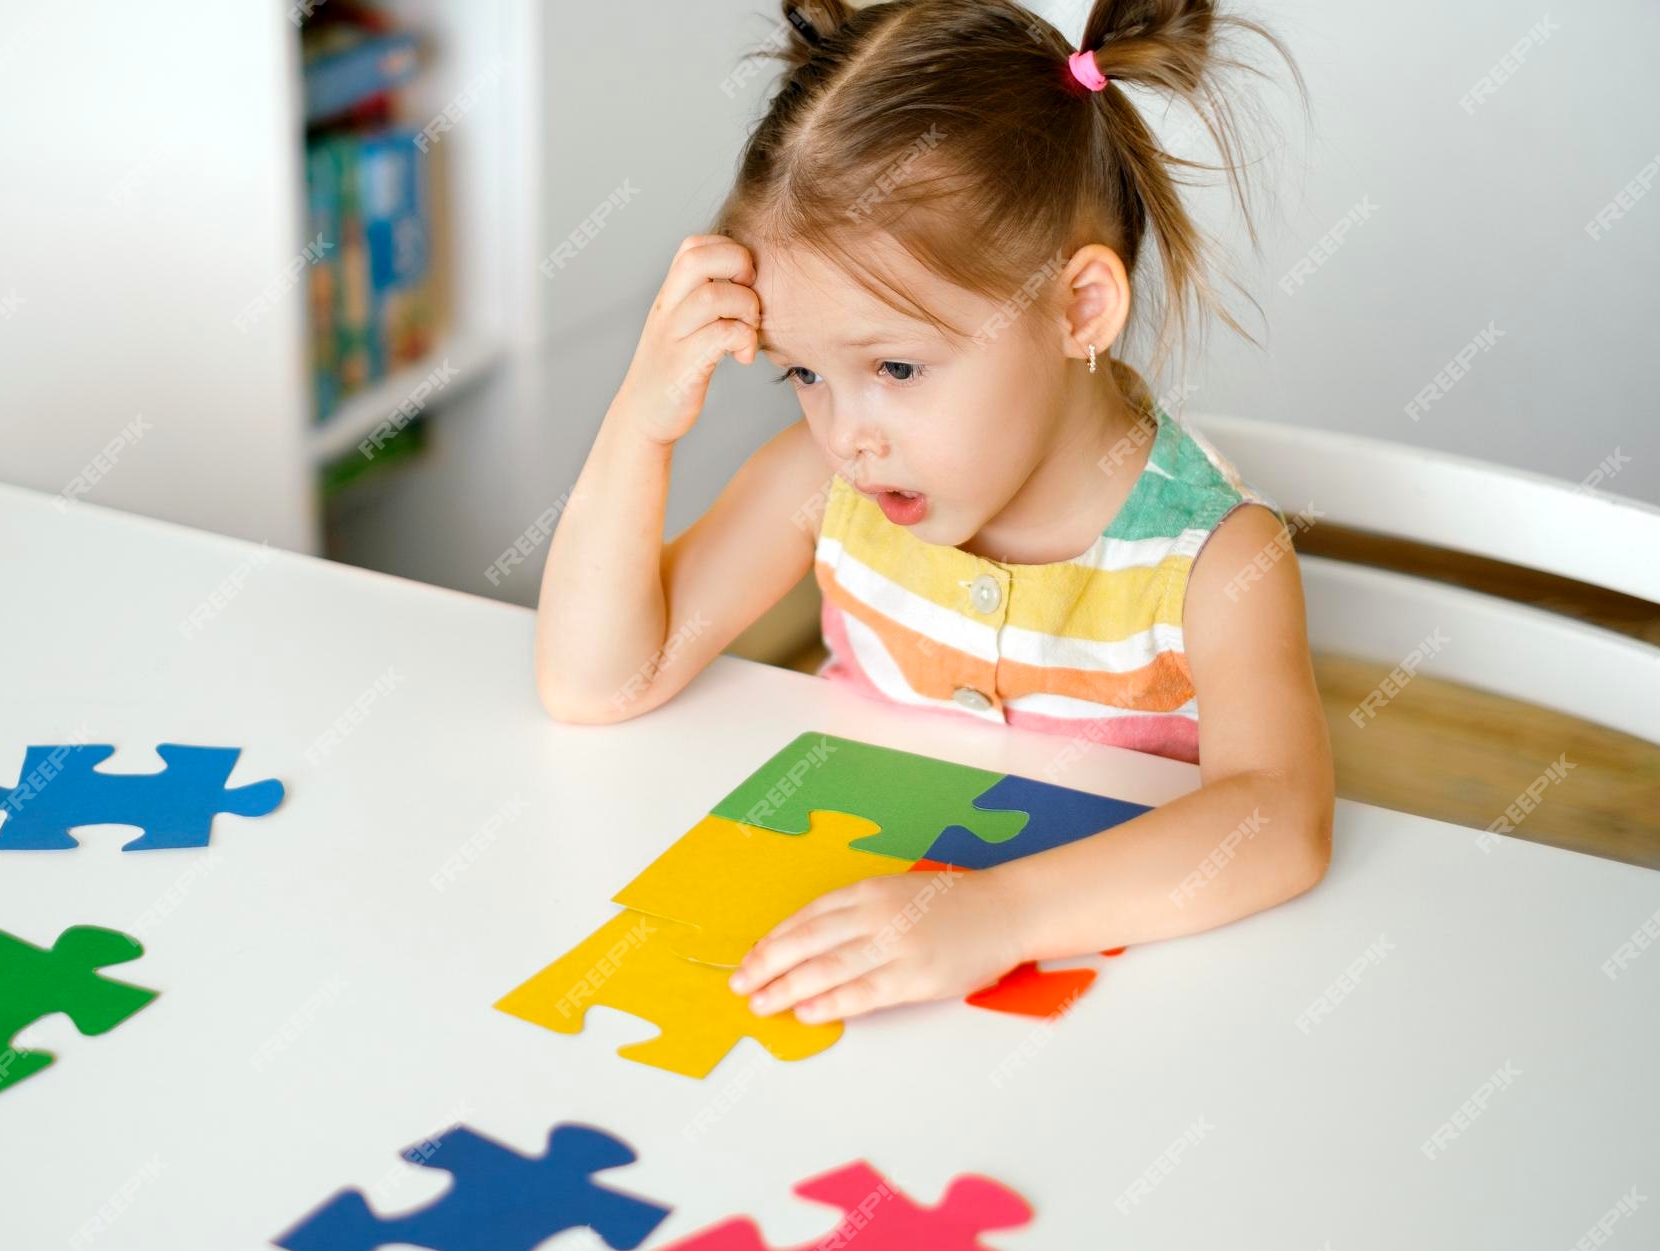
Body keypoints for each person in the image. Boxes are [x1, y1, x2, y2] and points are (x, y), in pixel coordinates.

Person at [535, 0, 1333, 1027]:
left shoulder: (1217, 561)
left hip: (1119, 1014)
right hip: (875, 989)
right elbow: (598, 682)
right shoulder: (823, 483)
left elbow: (1275, 824)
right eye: (803, 375)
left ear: (1077, 309)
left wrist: (990, 916)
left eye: (895, 367)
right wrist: (640, 420)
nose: (847, 434)